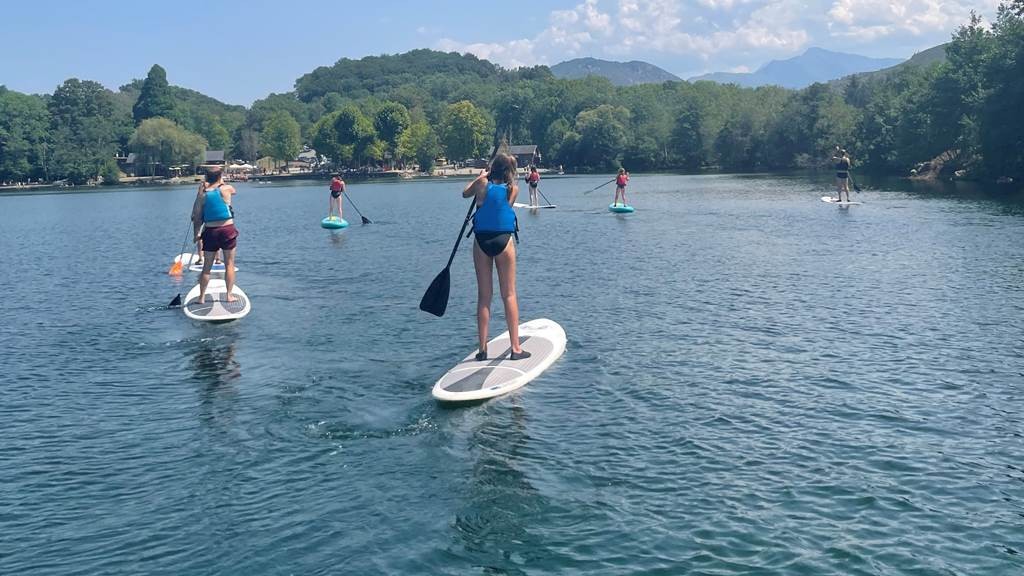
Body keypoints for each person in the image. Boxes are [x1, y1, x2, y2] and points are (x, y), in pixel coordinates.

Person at [462, 153, 531, 361]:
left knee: (484, 296)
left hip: (481, 241)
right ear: (509, 170)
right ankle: (516, 349)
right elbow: (503, 209)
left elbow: (465, 194)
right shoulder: (513, 190)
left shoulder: (482, 184)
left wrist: (480, 176)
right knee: (509, 294)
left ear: (492, 168)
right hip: (503, 241)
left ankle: (482, 350)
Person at [191, 168, 238, 303]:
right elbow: (234, 191)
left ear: (206, 178)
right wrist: (220, 182)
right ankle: (229, 295)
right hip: (227, 230)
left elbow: (198, 217)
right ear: (220, 177)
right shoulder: (227, 188)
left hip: (210, 231)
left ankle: (201, 297)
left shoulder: (203, 195)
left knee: (207, 266)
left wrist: (196, 235)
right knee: (229, 264)